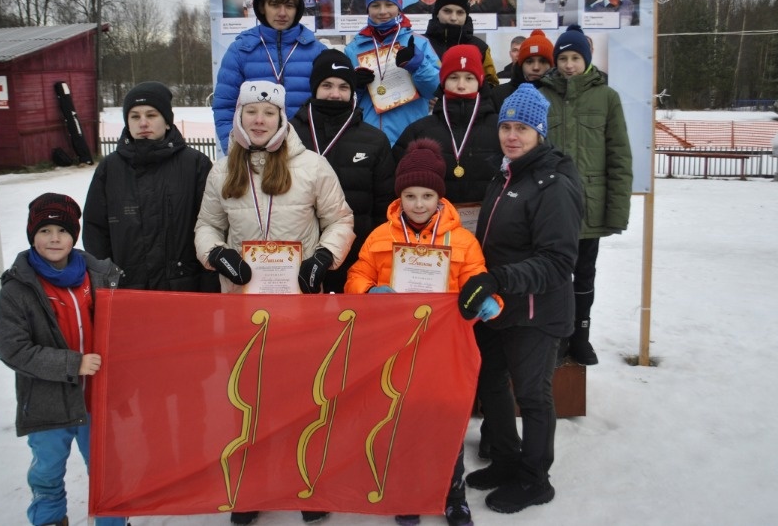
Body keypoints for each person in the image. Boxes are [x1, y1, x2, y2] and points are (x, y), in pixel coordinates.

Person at [195, 80, 355, 525]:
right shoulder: (222, 170)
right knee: (248, 398)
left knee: (303, 396)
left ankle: (307, 482)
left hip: (298, 306)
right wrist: (217, 254)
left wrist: (322, 258)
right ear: (239, 116)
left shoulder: (312, 166)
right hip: (243, 307)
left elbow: (340, 220)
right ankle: (251, 485)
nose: (259, 120)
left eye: (268, 113)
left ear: (282, 117)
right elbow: (207, 225)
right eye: (251, 112)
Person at [345, 138, 502, 526]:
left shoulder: (461, 240)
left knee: (445, 421)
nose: (418, 204)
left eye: (427, 195)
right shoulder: (380, 237)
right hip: (394, 349)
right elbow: (357, 275)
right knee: (402, 421)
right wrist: (368, 291)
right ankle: (408, 492)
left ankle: (453, 494)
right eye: (410, 196)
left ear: (439, 196)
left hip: (443, 349)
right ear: (399, 197)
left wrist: (490, 301)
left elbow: (478, 278)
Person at [458, 84, 583, 515]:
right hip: (499, 305)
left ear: (540, 131)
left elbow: (558, 261)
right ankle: (506, 459)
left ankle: (534, 478)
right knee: (491, 382)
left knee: (532, 395)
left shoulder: (554, 184)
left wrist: (498, 279)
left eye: (522, 128)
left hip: (535, 311)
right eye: (506, 127)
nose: (512, 136)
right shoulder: (506, 173)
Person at [0, 193, 127, 526]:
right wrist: (73, 364)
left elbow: (124, 329)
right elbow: (13, 349)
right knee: (47, 472)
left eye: (62, 231)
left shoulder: (99, 275)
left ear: (74, 235)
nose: (54, 239)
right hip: (47, 402)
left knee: (107, 473)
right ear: (32, 235)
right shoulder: (18, 288)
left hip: (95, 399)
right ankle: (50, 519)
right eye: (44, 231)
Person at [537, 24, 633, 365]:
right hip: (550, 206)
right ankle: (558, 337)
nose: (569, 65)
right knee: (554, 275)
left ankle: (581, 336)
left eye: (576, 58)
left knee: (584, 273)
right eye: (563, 58)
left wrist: (616, 212)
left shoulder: (607, 98)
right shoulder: (541, 95)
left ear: (587, 60)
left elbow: (619, 156)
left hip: (588, 207)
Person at [84, 81, 217, 293]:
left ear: (167, 122)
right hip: (128, 291)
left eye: (151, 115)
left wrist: (209, 284)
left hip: (186, 289)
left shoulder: (195, 164)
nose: (143, 123)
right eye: (135, 116)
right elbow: (95, 231)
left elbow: (211, 225)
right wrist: (107, 280)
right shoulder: (109, 169)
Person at [290, 49, 395, 294]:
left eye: (343, 87)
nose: (335, 94)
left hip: (355, 257)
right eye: (327, 85)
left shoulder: (374, 140)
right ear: (314, 88)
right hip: (297, 256)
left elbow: (384, 208)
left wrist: (371, 255)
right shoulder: (288, 135)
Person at [213, 0, 327, 154]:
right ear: (262, 7)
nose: (282, 13)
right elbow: (224, 106)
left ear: (297, 9)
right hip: (254, 154)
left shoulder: (317, 51)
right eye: (275, 5)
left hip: (305, 153)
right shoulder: (240, 50)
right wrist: (235, 153)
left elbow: (329, 107)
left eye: (289, 6)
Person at [395, 44, 501, 209]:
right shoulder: (419, 131)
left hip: (490, 220)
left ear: (480, 81)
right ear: (443, 81)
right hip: (435, 222)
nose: (461, 85)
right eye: (453, 77)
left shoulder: (500, 128)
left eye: (469, 78)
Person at [344, 0, 441, 145]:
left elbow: (434, 90)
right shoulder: (354, 48)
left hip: (410, 137)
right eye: (375, 5)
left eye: (389, 4)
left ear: (399, 6)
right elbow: (346, 102)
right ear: (367, 8)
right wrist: (355, 86)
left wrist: (419, 67)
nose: (382, 11)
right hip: (368, 140)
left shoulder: (418, 43)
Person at [424, 0, 499, 87]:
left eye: (460, 12)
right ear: (437, 13)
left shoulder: (481, 48)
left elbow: (492, 86)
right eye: (447, 11)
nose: (453, 18)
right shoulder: (421, 44)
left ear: (466, 15)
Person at [491, 30, 554, 110]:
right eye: (529, 61)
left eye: (543, 61)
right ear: (521, 65)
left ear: (551, 66)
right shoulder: (499, 94)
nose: (536, 67)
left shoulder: (560, 95)